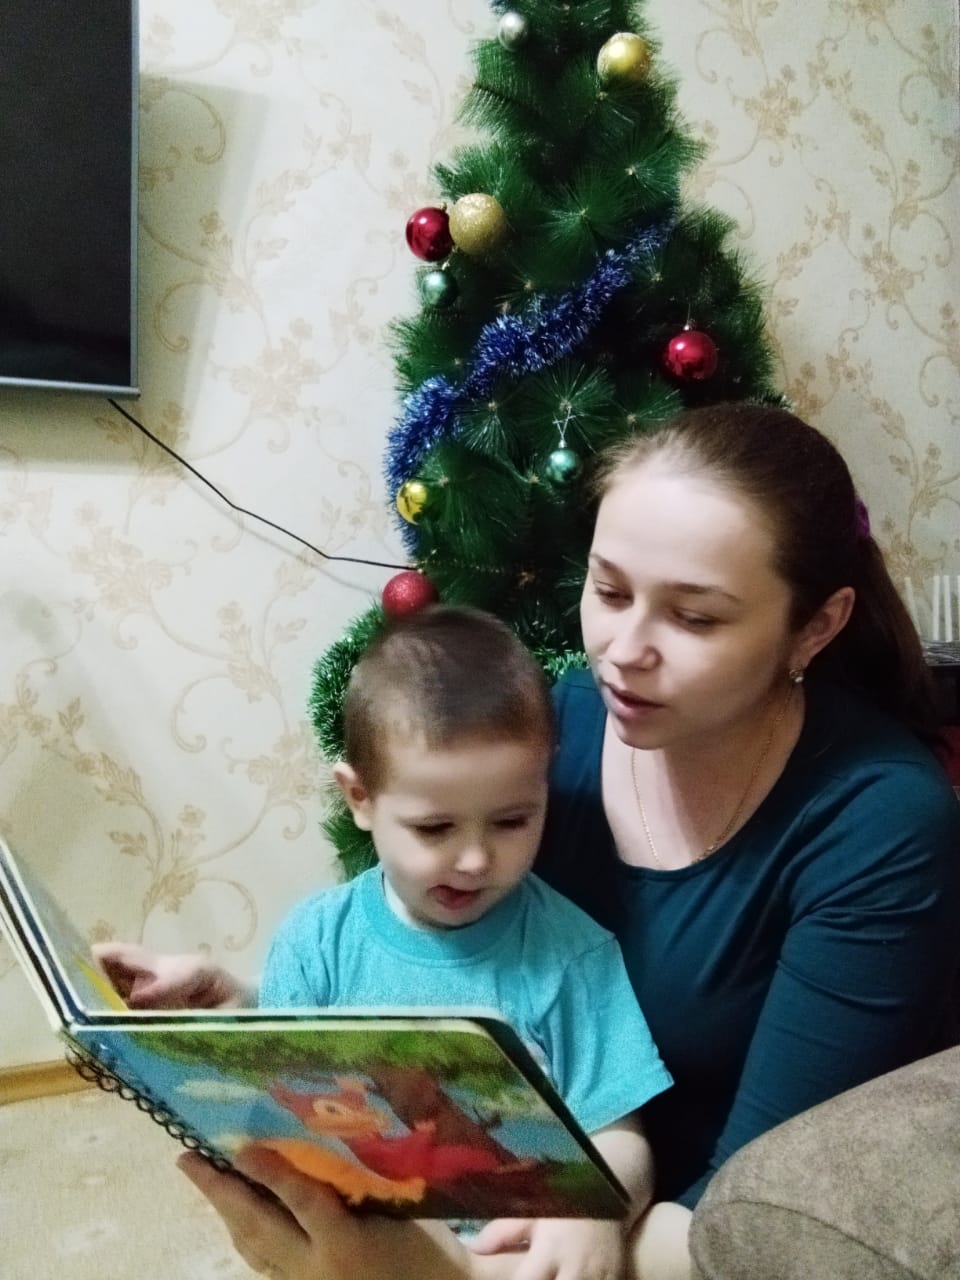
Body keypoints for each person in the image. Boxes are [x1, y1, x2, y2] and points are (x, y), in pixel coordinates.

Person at [97, 403, 960, 1280]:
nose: (623, 651)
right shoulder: (568, 724)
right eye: (609, 591)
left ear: (816, 626)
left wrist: (458, 1272)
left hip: (691, 1236)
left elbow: (767, 1221)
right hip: (517, 1200)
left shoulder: (880, 824)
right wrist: (251, 1011)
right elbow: (480, 967)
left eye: (695, 618)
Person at [100, 604, 672, 1280]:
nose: (475, 860)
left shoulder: (572, 955)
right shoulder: (317, 940)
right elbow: (278, 1092)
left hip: (510, 1259)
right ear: (360, 798)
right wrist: (212, 1025)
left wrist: (597, 1212)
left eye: (512, 821)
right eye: (435, 828)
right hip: (360, 1247)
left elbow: (623, 1136)